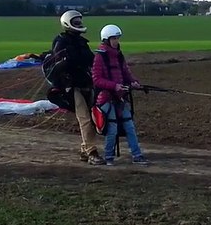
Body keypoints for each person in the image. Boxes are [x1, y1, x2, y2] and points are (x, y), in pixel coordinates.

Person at [91, 24, 149, 165]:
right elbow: (96, 79)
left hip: (121, 97)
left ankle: (137, 155)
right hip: (106, 98)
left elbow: (126, 73)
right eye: (114, 38)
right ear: (106, 40)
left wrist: (134, 82)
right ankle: (109, 157)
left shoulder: (119, 56)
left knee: (129, 126)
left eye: (117, 38)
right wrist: (114, 86)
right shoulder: (100, 57)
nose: (117, 41)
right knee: (112, 128)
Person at [48, 10, 101, 164]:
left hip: (87, 83)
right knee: (84, 118)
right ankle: (92, 152)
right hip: (71, 87)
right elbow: (61, 65)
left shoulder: (82, 42)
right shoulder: (61, 42)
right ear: (68, 23)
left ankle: (85, 150)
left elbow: (92, 61)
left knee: (92, 118)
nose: (79, 24)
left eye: (79, 21)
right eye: (75, 22)